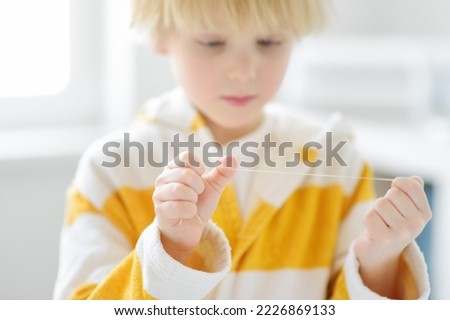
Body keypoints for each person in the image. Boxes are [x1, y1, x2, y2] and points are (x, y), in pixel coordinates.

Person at [53, 0, 432, 299]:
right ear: (161, 34)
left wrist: (380, 259)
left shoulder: (335, 160)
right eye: (212, 42)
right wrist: (170, 251)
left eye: (269, 41)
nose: (244, 70)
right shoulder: (112, 169)